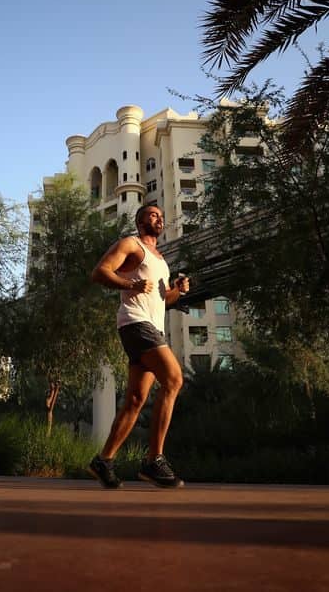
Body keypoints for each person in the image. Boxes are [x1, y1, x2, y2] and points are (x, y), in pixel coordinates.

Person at [86, 204, 190, 489]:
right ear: (140, 220)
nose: (159, 217)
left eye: (160, 215)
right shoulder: (130, 244)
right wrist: (128, 285)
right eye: (153, 214)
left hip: (151, 326)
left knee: (135, 400)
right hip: (135, 323)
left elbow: (161, 299)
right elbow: (99, 272)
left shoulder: (161, 260)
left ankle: (104, 460)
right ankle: (153, 460)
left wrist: (176, 292)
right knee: (174, 379)